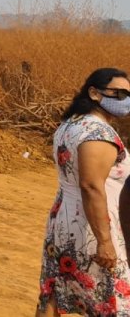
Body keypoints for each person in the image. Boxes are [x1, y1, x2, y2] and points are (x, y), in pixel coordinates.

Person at [37, 68, 130, 316]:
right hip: (92, 223)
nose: (124, 100)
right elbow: (91, 186)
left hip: (63, 216)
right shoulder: (98, 133)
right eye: (118, 93)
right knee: (111, 296)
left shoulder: (71, 124)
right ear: (94, 93)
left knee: (55, 290)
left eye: (128, 94)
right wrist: (105, 241)